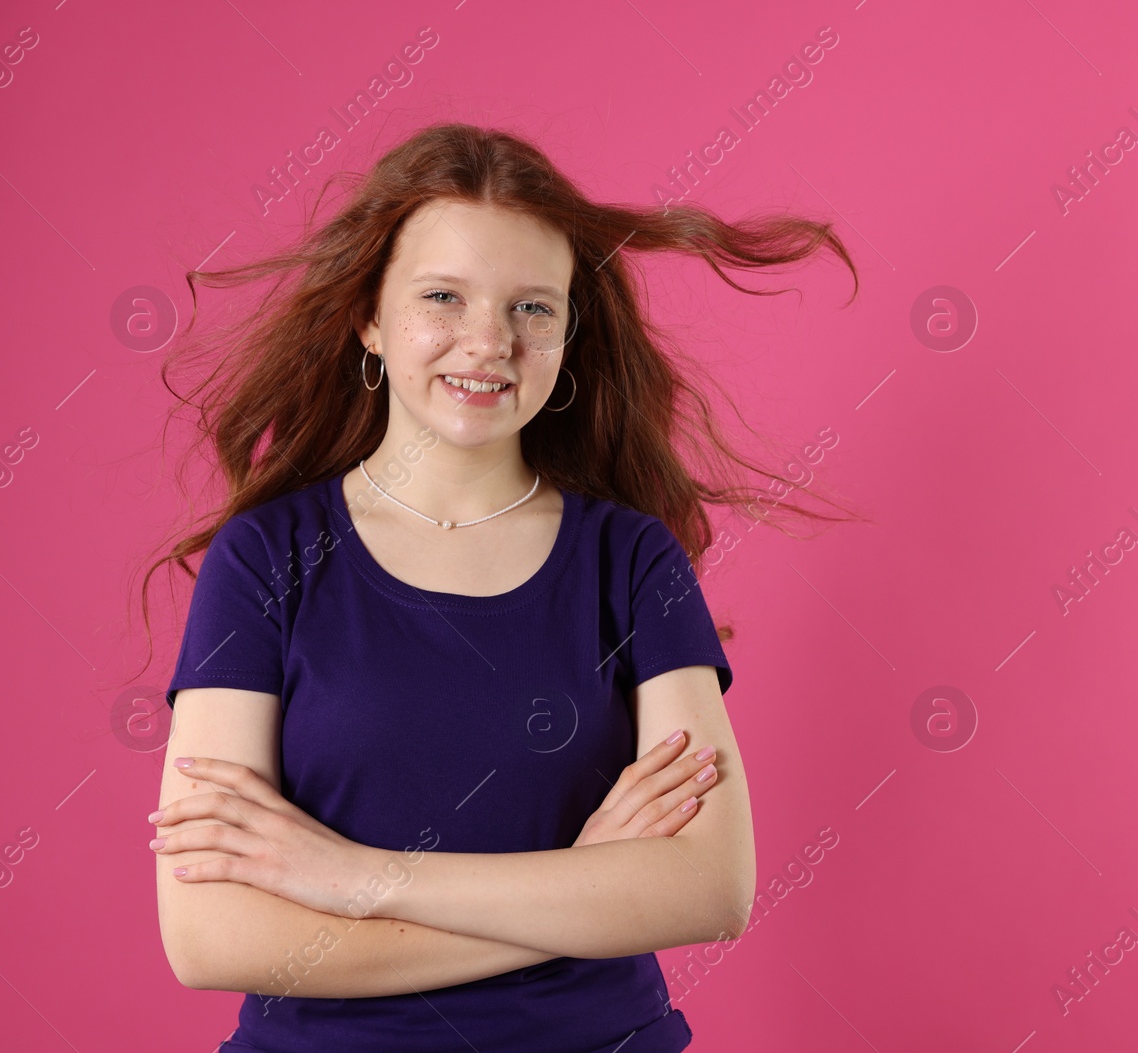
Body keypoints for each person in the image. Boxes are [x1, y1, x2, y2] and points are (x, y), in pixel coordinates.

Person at [136, 122, 859, 1052]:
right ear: (371, 317)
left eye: (533, 308)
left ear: (567, 332)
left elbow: (709, 889)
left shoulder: (633, 561)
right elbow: (213, 936)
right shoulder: (265, 558)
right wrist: (577, 889)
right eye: (443, 295)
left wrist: (352, 876)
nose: (488, 342)